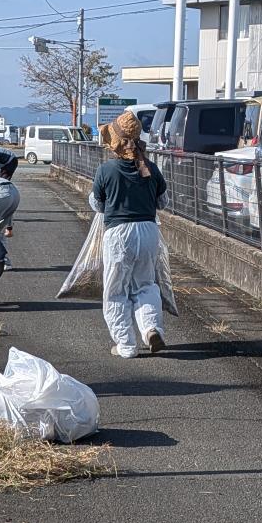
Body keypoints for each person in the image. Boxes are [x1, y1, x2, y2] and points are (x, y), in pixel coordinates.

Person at [90, 110, 168, 358]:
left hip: (119, 234)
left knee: (116, 291)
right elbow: (163, 202)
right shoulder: (150, 168)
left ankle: (126, 345)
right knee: (146, 285)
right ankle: (151, 328)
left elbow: (99, 205)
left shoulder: (106, 170)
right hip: (148, 231)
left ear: (114, 142)